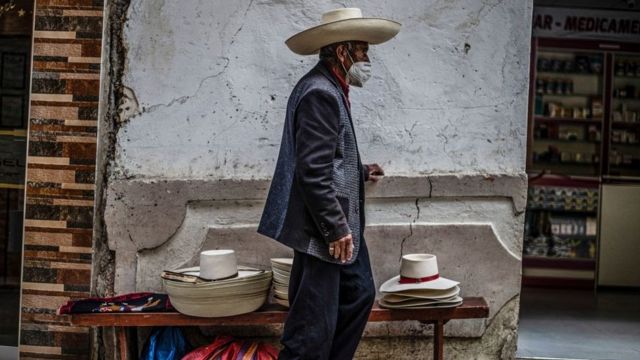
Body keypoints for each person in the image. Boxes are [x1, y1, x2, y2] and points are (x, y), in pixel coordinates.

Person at [258, 7, 400, 360]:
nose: (368, 59)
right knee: (312, 326)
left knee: (358, 294)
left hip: (337, 224)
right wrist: (335, 228)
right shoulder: (320, 93)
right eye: (363, 50)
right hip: (323, 231)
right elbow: (311, 171)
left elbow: (327, 157)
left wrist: (361, 170)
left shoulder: (329, 87)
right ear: (342, 51)